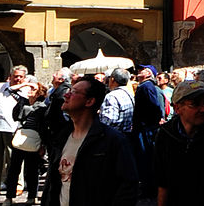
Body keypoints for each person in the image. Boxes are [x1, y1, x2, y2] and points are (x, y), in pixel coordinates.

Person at [42, 75, 137, 206]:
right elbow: (52, 185)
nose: (66, 95)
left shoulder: (113, 141)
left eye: (73, 92)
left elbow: (127, 186)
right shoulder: (61, 138)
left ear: (89, 101)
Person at [4, 80, 47, 206]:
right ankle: (9, 197)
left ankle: (32, 196)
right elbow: (10, 90)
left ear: (39, 93)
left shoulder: (42, 106)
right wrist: (25, 84)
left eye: (33, 89)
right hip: (20, 139)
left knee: (32, 170)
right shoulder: (23, 101)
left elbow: (44, 127)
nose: (29, 90)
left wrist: (43, 145)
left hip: (34, 140)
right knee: (13, 170)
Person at [0, 67, 30, 194]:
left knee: (13, 158)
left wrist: (24, 84)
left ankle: (18, 184)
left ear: (25, 77)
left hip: (15, 127)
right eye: (15, 76)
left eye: (20, 76)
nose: (18, 78)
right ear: (10, 76)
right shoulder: (1, 87)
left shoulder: (27, 89)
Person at [132, 66, 165, 197]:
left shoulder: (146, 87)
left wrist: (153, 121)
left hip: (146, 128)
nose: (139, 72)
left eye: (143, 70)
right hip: (145, 127)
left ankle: (149, 188)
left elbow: (154, 105)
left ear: (149, 74)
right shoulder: (145, 86)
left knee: (146, 157)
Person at [99, 71, 134, 135]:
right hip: (127, 136)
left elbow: (109, 121)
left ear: (112, 79)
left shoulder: (112, 96)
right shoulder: (130, 94)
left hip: (113, 137)